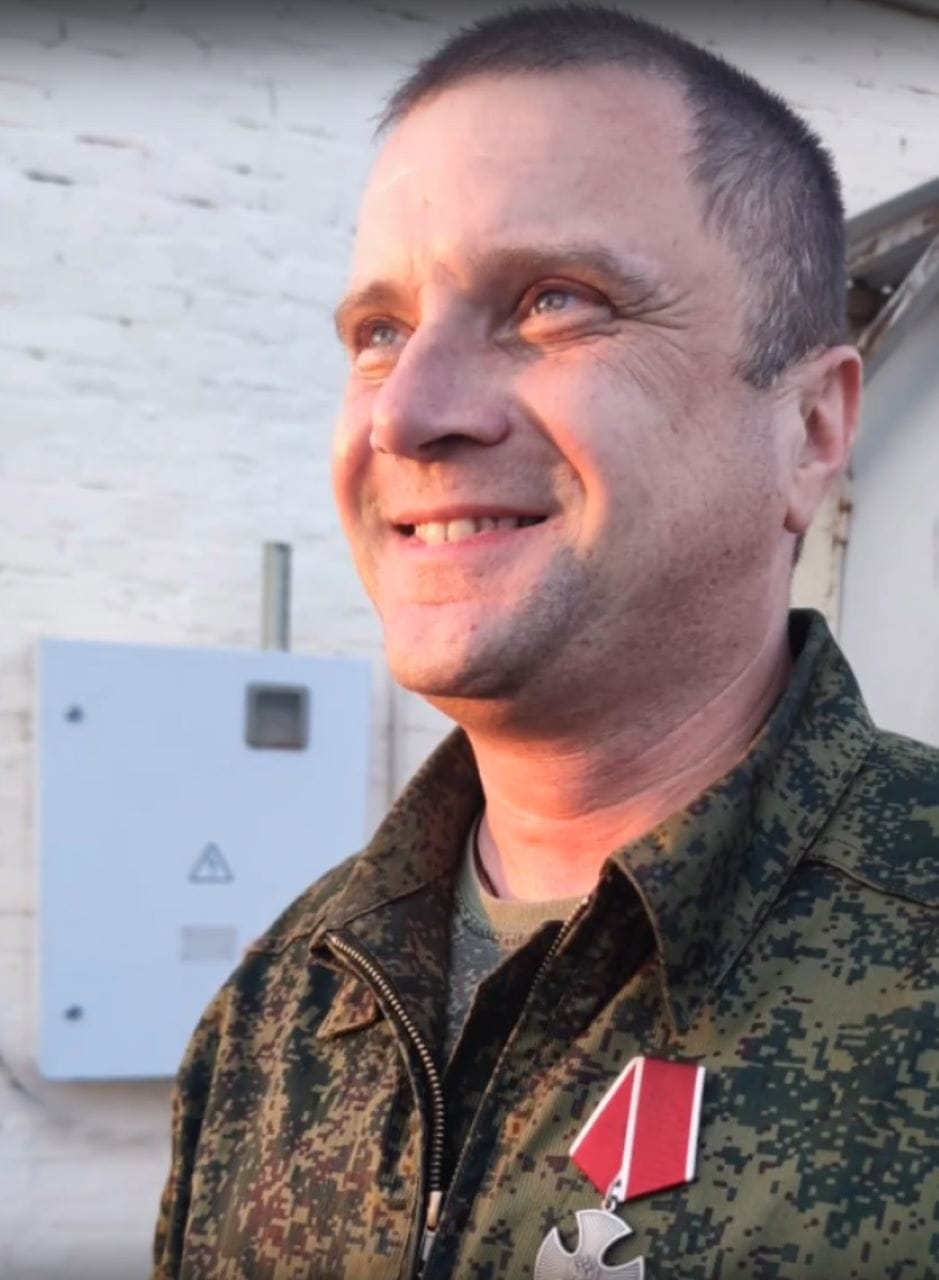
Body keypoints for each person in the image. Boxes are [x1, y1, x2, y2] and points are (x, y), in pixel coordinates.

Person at [152, 6, 938, 1278]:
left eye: (552, 301)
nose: (406, 413)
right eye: (379, 331)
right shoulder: (281, 1007)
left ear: (809, 429)